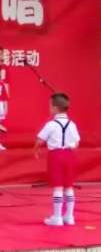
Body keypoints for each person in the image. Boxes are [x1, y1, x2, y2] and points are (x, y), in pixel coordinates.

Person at [34, 93, 80, 226]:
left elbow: (40, 140)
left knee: (58, 186)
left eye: (50, 105)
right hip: (69, 155)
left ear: (55, 108)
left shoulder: (51, 125)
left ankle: (57, 217)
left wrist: (36, 149)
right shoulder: (72, 124)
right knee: (68, 186)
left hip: (56, 155)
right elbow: (77, 143)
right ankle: (69, 216)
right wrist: (69, 147)